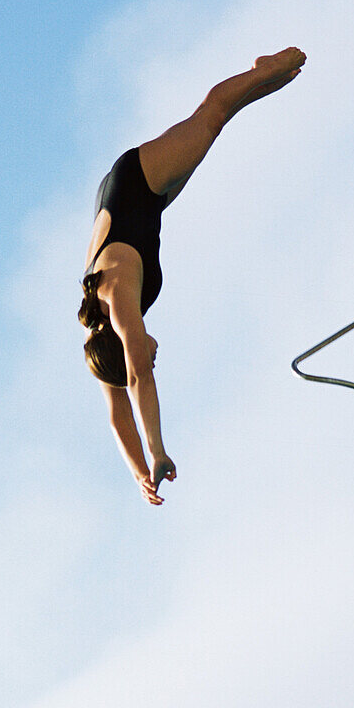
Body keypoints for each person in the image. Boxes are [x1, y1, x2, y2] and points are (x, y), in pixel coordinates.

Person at [79, 47, 306, 505]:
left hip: (136, 184)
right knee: (213, 130)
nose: (154, 360)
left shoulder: (119, 304)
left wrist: (159, 449)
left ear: (130, 346)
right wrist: (140, 472)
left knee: (212, 114)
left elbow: (139, 376)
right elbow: (116, 412)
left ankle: (263, 69)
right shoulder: (98, 336)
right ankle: (259, 83)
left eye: (143, 356)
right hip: (143, 206)